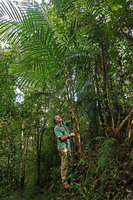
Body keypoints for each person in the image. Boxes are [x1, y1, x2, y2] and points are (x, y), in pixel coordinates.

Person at [54, 115, 75, 189]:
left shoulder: (64, 124)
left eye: (58, 116)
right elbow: (62, 138)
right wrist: (70, 135)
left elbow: (72, 121)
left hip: (68, 146)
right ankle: (64, 182)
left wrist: (71, 113)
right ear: (56, 121)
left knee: (70, 161)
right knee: (65, 163)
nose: (59, 117)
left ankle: (72, 177)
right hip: (62, 147)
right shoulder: (56, 128)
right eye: (56, 118)